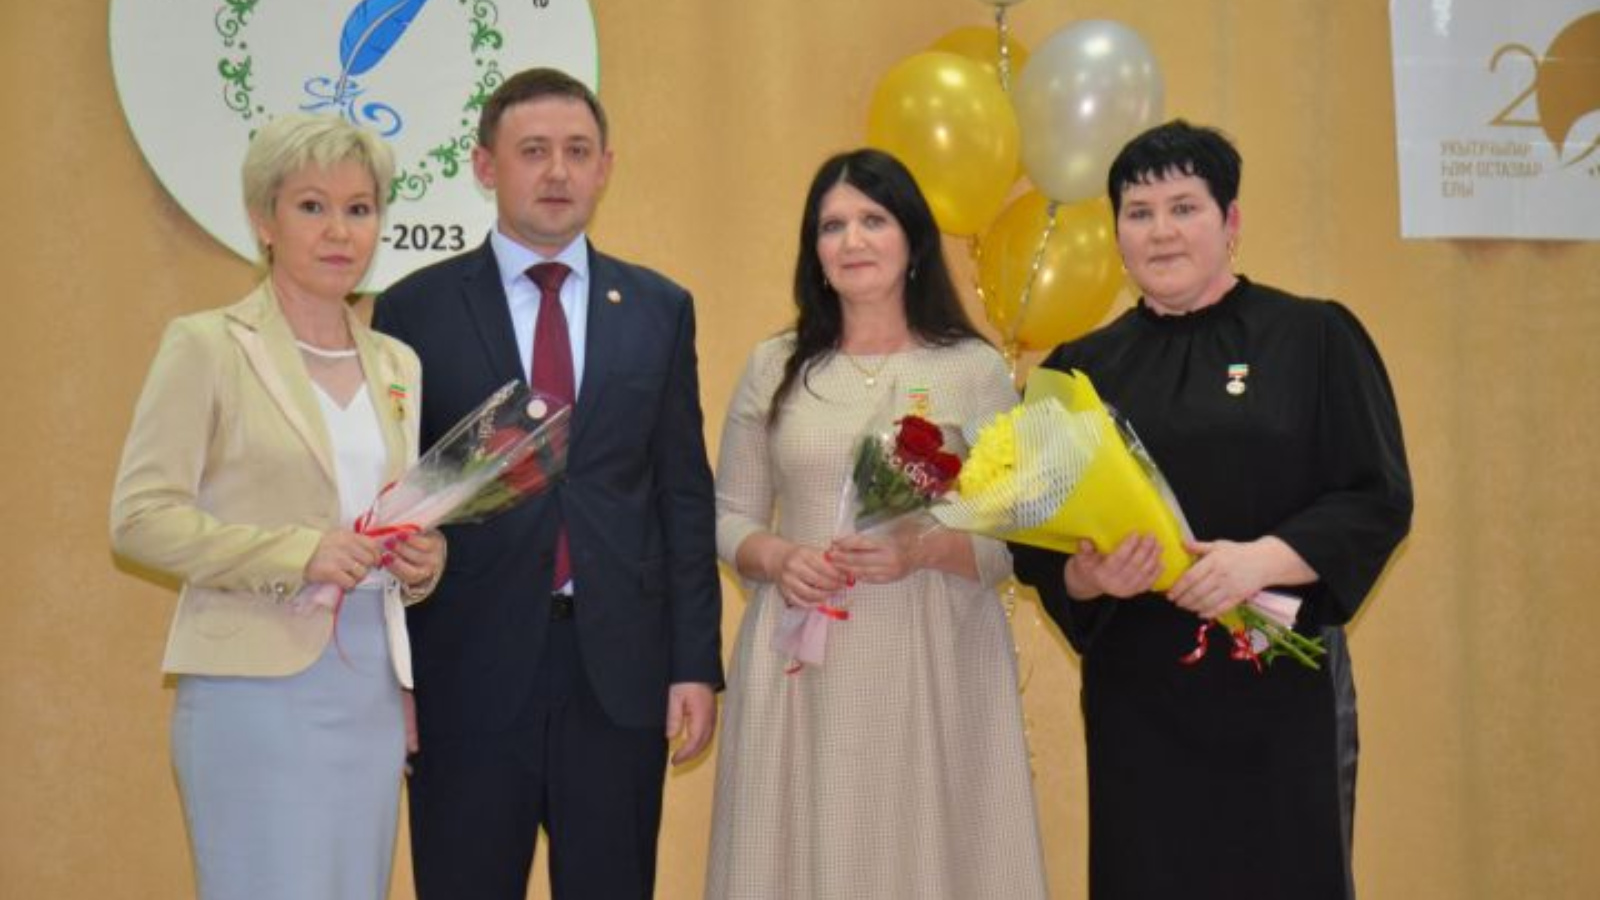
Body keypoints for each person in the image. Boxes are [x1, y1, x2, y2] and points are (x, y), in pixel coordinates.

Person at [1012, 119, 1413, 899]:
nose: (1161, 231)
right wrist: (1092, 578)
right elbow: (1037, 546)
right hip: (1140, 700)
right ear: (1118, 234)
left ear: (1231, 222)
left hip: (1279, 690)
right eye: (1139, 212)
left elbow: (1377, 496)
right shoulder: (1078, 373)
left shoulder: (1314, 336)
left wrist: (1257, 562)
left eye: (1184, 207)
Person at [371, 67, 722, 899]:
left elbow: (681, 494)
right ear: (485, 165)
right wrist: (398, 679)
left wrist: (694, 664)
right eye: (533, 151)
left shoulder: (659, 307)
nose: (558, 171)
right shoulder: (413, 311)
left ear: (606, 167)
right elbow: (394, 501)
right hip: (466, 669)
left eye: (577, 151)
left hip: (618, 674)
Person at [109, 112, 446, 900]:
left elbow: (394, 513)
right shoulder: (207, 345)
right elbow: (139, 519)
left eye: (359, 208)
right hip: (252, 694)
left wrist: (424, 561)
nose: (339, 231)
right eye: (312, 206)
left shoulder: (398, 363)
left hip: (370, 693)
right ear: (264, 220)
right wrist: (299, 552)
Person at [706, 148, 1049, 900]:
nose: (852, 241)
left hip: (934, 656)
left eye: (873, 220)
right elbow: (728, 515)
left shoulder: (973, 370)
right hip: (803, 659)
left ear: (912, 239)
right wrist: (776, 557)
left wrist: (924, 549)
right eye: (832, 226)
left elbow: (1019, 535)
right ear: (814, 251)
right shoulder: (775, 366)